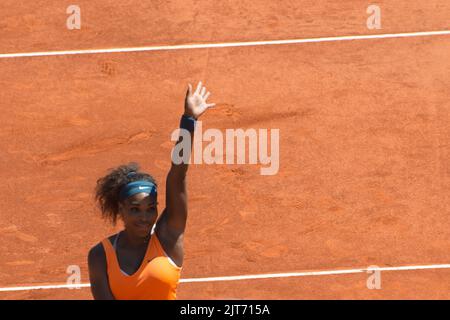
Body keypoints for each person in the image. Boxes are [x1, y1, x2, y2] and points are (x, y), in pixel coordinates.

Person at [87, 81, 215, 299]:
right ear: (121, 209)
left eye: (150, 208)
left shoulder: (168, 237)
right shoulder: (100, 255)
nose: (145, 217)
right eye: (135, 209)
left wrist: (189, 121)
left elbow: (178, 174)